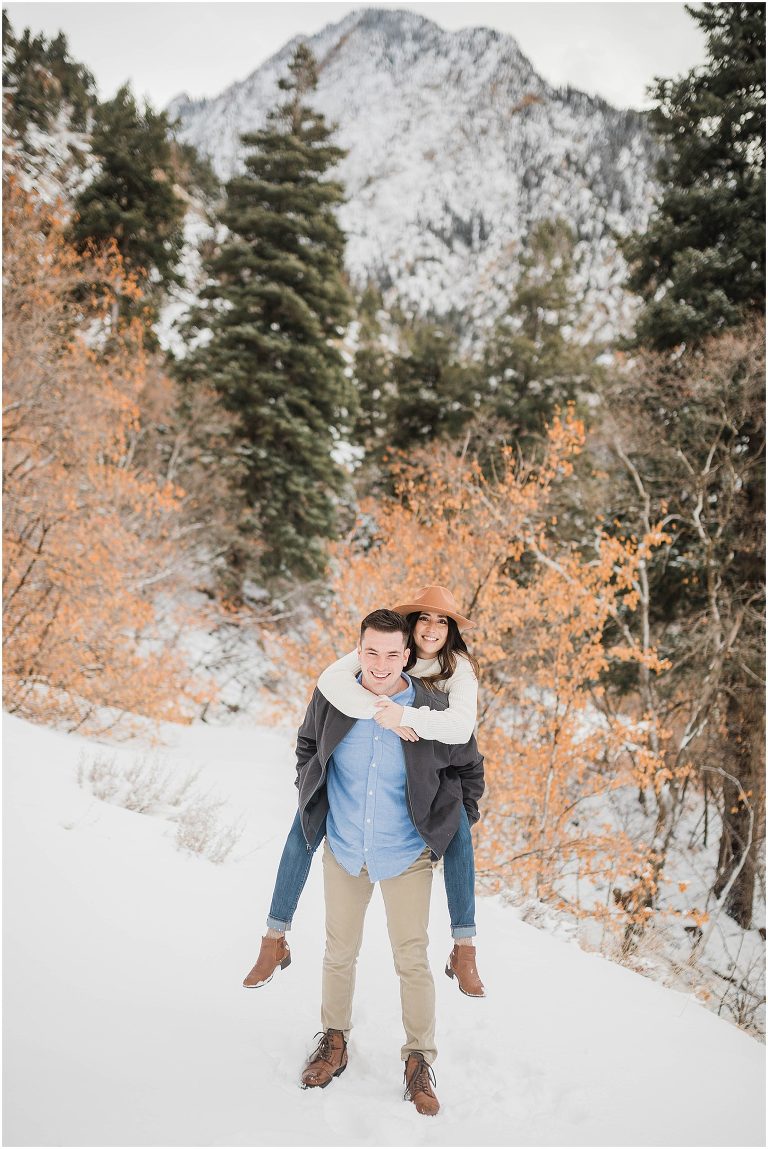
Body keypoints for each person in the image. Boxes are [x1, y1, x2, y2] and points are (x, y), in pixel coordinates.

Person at [243, 585, 486, 998]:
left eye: (441, 621)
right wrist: (315, 776)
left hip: (432, 775)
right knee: (300, 831)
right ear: (410, 628)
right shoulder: (381, 649)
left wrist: (407, 716)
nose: (431, 628)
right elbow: (331, 684)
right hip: (358, 779)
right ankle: (274, 935)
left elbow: (462, 733)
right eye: (424, 618)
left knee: (460, 831)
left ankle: (464, 948)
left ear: (450, 631)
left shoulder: (457, 668)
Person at [292, 608, 484, 1113]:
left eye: (392, 653)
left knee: (412, 959)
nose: (380, 663)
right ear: (358, 651)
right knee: (339, 951)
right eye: (371, 651)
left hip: (405, 854)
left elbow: (469, 765)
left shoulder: (431, 707)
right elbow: (307, 745)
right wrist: (307, 788)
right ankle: (334, 1042)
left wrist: (454, 821)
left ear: (408, 655)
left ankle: (418, 1062)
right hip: (346, 848)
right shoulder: (335, 698)